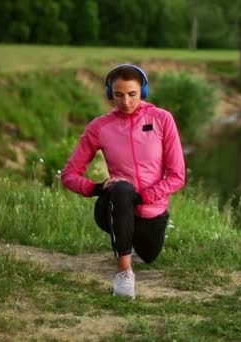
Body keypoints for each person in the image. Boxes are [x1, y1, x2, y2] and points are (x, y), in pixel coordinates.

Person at [61, 64, 186, 298]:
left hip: (151, 212)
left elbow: (177, 176)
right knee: (121, 189)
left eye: (132, 94)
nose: (125, 101)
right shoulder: (99, 127)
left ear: (143, 92)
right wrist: (95, 188)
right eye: (118, 95)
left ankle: (129, 244)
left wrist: (144, 197)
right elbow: (68, 175)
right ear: (110, 93)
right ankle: (124, 275)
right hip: (115, 204)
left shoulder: (162, 119)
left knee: (148, 255)